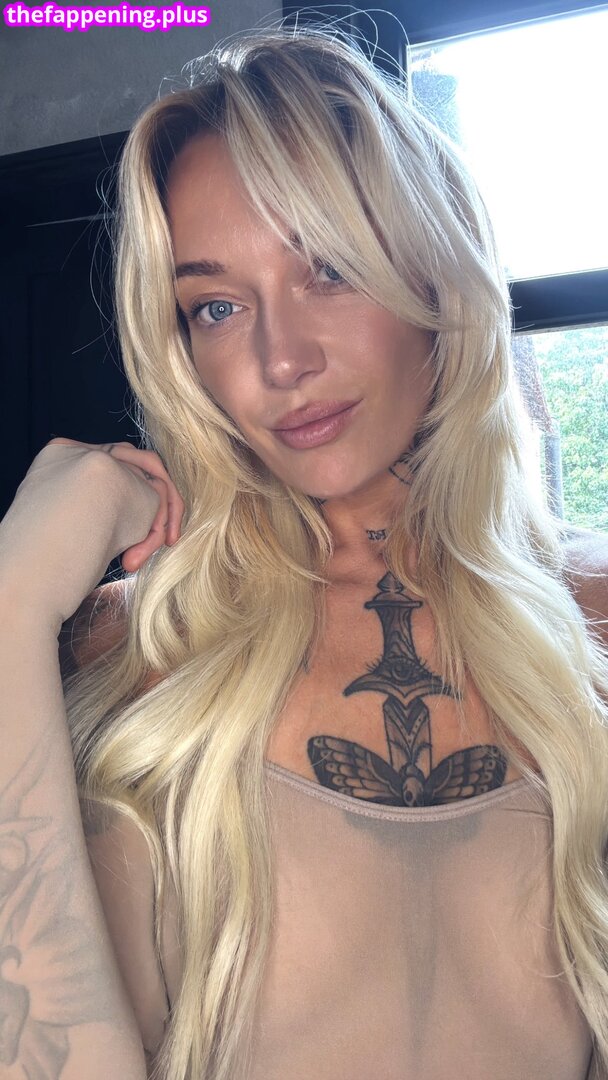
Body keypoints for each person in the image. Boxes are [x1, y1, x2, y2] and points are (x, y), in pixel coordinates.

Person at [1, 21, 607, 1080]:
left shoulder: (587, 621)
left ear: (434, 276)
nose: (280, 359)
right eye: (216, 307)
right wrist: (9, 604)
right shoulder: (122, 654)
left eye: (328, 269)